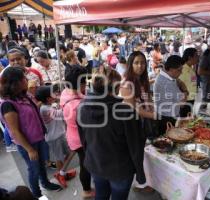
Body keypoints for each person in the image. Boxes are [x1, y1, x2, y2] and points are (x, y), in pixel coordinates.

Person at [77, 68, 146, 200]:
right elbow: (136, 146)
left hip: (96, 164)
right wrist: (140, 173)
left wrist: (91, 157)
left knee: (101, 195)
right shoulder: (126, 112)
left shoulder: (81, 106)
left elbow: (83, 139)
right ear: (115, 88)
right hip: (120, 170)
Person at [0, 67, 61, 198]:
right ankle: (36, 194)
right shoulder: (8, 104)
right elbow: (15, 131)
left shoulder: (23, 95)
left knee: (42, 164)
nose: (26, 80)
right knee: (33, 170)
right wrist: (29, 149)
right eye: (24, 78)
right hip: (28, 144)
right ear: (16, 82)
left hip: (38, 137)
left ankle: (45, 183)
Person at [119, 51, 155, 192]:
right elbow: (135, 109)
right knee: (137, 152)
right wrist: (154, 116)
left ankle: (143, 177)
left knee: (142, 150)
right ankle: (140, 183)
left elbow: (147, 99)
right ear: (130, 64)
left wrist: (152, 107)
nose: (140, 66)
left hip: (143, 121)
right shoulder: (127, 83)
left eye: (142, 62)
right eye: (136, 63)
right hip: (132, 123)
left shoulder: (142, 80)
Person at [60, 66, 94, 198]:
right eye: (85, 82)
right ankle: (86, 191)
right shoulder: (79, 105)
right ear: (81, 83)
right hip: (81, 140)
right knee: (85, 165)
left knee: (83, 161)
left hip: (72, 133)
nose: (86, 84)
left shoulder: (65, 92)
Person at [36, 85, 76, 188]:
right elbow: (62, 114)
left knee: (70, 152)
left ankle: (62, 172)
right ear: (48, 98)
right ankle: (61, 174)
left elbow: (57, 107)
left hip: (60, 134)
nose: (55, 94)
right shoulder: (44, 109)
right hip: (54, 138)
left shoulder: (50, 104)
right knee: (60, 158)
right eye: (53, 94)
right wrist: (68, 102)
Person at [154, 55, 186, 134]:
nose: (181, 73)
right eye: (179, 70)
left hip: (163, 115)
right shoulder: (168, 83)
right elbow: (183, 103)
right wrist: (185, 90)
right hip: (167, 118)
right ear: (171, 69)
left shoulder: (164, 75)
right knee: (168, 140)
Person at [179, 48, 198, 117]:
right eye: (196, 56)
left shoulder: (191, 68)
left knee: (188, 117)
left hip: (191, 99)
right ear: (190, 57)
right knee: (184, 119)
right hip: (185, 100)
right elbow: (179, 85)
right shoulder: (183, 69)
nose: (197, 57)